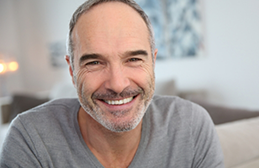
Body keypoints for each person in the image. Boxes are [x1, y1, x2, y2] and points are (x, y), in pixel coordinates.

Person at [0, 0, 224, 167]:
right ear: (72, 69)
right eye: (95, 62)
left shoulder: (192, 126)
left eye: (134, 59)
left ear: (153, 61)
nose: (117, 84)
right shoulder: (30, 139)